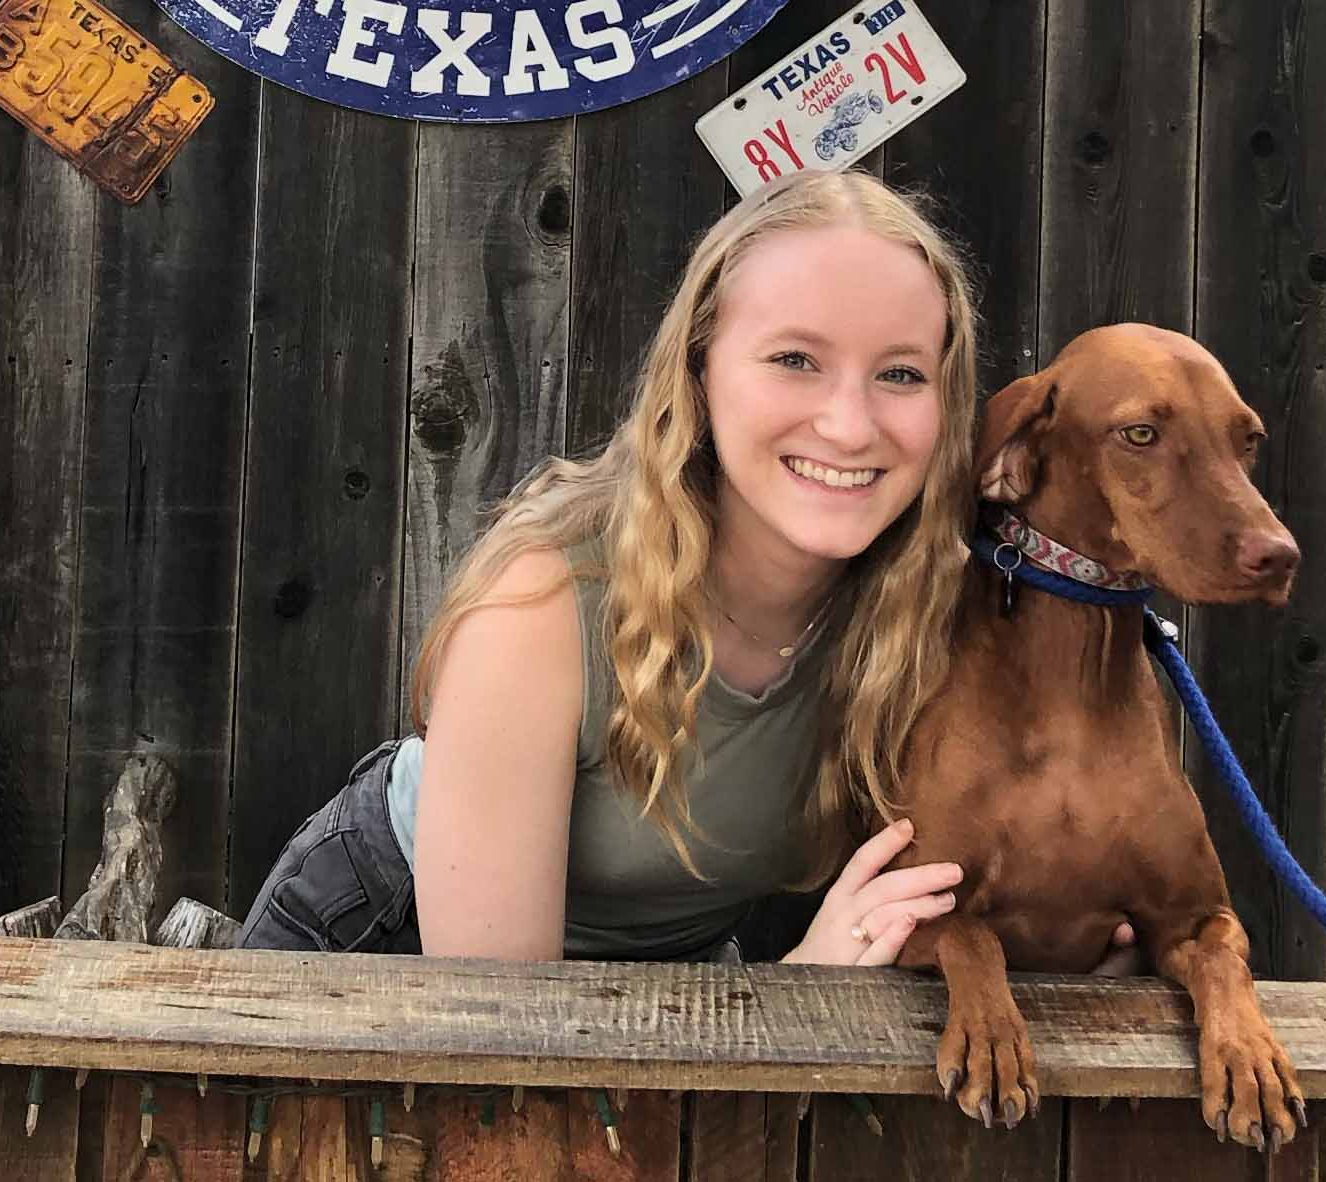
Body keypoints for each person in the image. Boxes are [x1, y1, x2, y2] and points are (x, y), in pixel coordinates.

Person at [238, 169, 1136, 969]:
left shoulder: (940, 604)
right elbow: (497, 1036)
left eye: (901, 374)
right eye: (795, 360)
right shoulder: (544, 606)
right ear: (700, 371)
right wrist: (808, 990)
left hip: (675, 975)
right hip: (386, 948)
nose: (851, 425)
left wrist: (1070, 938)